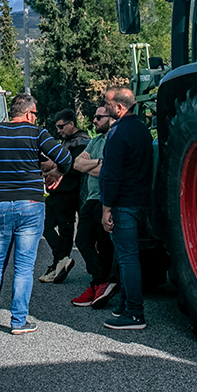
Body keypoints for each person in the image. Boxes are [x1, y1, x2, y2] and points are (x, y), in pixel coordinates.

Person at [0, 94, 71, 334]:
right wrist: (56, 172)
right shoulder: (37, 133)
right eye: (35, 115)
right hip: (31, 205)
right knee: (23, 267)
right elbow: (65, 158)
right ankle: (18, 321)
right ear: (30, 113)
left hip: (0, 205)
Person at [99, 88, 154, 329]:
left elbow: (111, 174)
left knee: (127, 258)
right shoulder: (143, 130)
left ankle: (134, 312)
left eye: (108, 104)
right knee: (126, 257)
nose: (106, 107)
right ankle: (123, 305)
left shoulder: (117, 133)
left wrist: (106, 208)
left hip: (122, 203)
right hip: (141, 200)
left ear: (120, 108)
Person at [71, 105, 118, 308]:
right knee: (82, 240)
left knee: (104, 244)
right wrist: (98, 163)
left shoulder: (114, 140)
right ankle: (101, 281)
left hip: (105, 198)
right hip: (90, 198)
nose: (95, 121)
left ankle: (99, 283)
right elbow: (77, 165)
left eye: (99, 117)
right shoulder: (95, 141)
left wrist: (93, 166)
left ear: (111, 118)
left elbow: (107, 172)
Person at [38, 109, 88, 284]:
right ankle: (60, 261)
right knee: (46, 226)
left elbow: (73, 166)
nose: (58, 130)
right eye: (57, 127)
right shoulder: (67, 142)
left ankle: (59, 263)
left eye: (61, 127)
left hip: (69, 193)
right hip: (57, 192)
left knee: (65, 231)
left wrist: (54, 168)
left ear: (71, 124)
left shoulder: (81, 142)